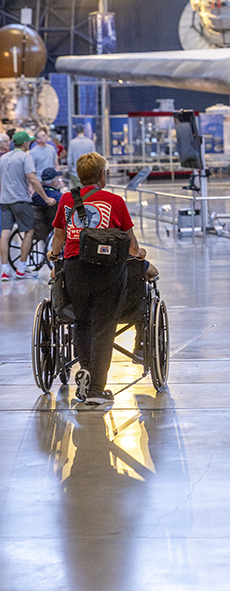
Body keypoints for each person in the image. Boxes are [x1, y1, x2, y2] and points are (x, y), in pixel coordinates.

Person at [49, 151, 142, 406]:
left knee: (82, 321)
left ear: (80, 175)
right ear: (102, 175)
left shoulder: (68, 199)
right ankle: (96, 389)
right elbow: (131, 245)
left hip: (75, 267)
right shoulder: (115, 200)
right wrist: (138, 252)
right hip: (107, 270)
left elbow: (58, 237)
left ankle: (86, 369)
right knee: (104, 326)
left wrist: (54, 254)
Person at [0, 130, 57, 281]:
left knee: (5, 233)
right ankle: (21, 269)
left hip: (4, 201)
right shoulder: (26, 157)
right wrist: (46, 198)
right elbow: (33, 178)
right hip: (20, 200)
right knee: (29, 231)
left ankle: (4, 270)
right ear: (25, 143)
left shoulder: (3, 158)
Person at [32, 166, 63, 242]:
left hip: (39, 230)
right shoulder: (59, 197)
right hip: (55, 229)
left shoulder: (35, 196)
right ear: (54, 181)